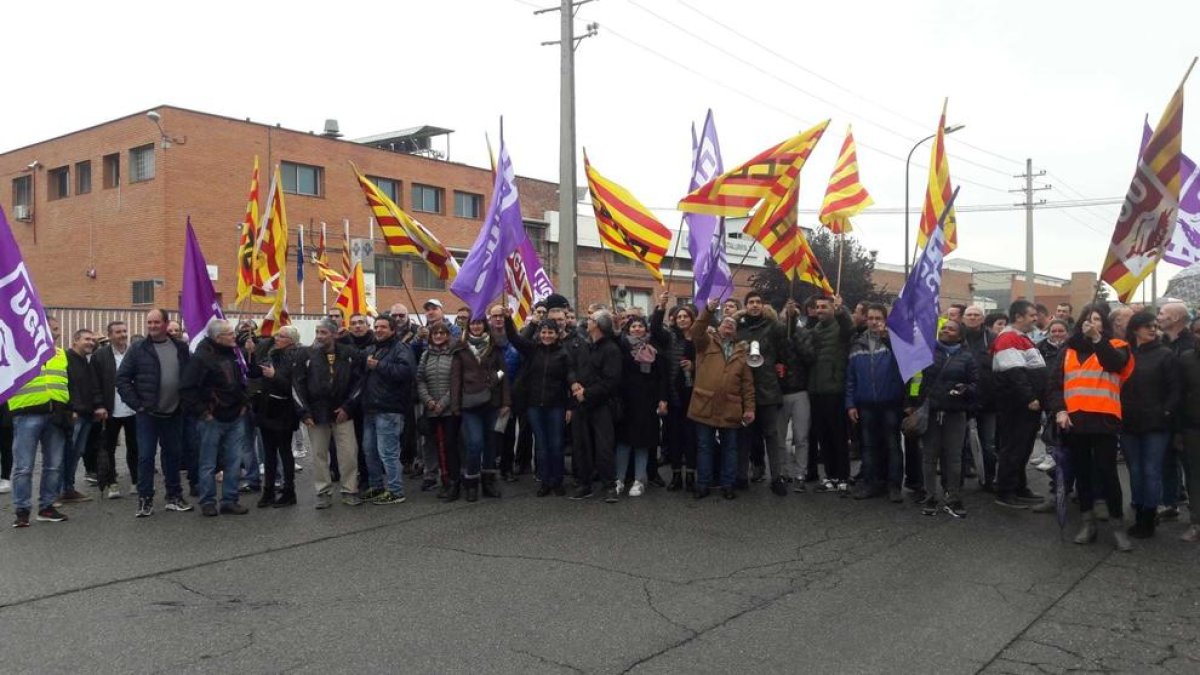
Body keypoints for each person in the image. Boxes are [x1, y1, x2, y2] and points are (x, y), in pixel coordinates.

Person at [1048, 306, 1134, 550]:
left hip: (1104, 420)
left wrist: (1097, 339)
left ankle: (1117, 525)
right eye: (1088, 319)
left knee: (1108, 473)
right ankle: (1088, 522)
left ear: (1104, 324)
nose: (1092, 323)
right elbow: (1055, 385)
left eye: (1097, 319)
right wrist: (1060, 410)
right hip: (1075, 422)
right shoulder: (1068, 350)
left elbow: (1114, 364)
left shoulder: (1117, 345)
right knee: (1082, 473)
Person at [116, 309, 192, 517]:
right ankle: (145, 499)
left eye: (156, 322)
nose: (152, 326)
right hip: (147, 414)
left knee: (173, 456)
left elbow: (189, 377)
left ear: (166, 323)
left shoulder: (181, 348)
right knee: (146, 457)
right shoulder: (138, 348)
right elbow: (122, 379)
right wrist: (137, 405)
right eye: (149, 323)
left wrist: (186, 403)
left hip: (174, 413)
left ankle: (174, 497)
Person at [181, 319, 251, 517]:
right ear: (218, 338)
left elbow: (240, 381)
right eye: (230, 334)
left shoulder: (232, 354)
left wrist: (244, 403)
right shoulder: (201, 358)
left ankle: (229, 500)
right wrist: (203, 412)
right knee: (208, 462)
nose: (234, 336)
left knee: (234, 461)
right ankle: (208, 501)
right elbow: (187, 389)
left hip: (235, 416)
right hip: (212, 419)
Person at [1120, 312, 1180, 539]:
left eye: (1155, 325)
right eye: (1147, 326)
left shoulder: (1165, 354)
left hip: (1156, 424)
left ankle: (1148, 517)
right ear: (1135, 329)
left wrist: (1165, 411)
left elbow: (1176, 389)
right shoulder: (1125, 354)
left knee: (1151, 470)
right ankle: (1139, 508)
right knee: (1135, 470)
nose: (1153, 329)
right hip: (1128, 422)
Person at [293, 319, 364, 509]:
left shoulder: (349, 354)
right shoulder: (305, 355)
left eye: (323, 332)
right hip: (316, 414)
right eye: (317, 332)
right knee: (319, 455)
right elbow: (297, 385)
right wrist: (304, 413)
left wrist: (348, 407)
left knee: (348, 453)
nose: (319, 336)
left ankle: (349, 490)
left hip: (343, 413)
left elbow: (359, 383)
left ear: (334, 334)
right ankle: (323, 492)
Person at [689, 300, 755, 499]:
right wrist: (708, 310)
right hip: (705, 403)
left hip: (731, 407)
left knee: (730, 448)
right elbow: (696, 331)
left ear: (736, 332)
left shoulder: (742, 352)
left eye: (732, 324)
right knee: (704, 447)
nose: (729, 324)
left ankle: (728, 484)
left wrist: (749, 408)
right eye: (725, 322)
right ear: (718, 327)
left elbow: (747, 384)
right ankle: (703, 484)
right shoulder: (705, 342)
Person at [7, 316, 69, 527]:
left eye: (57, 328)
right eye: (52, 328)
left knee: (54, 465)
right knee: (24, 466)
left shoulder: (61, 354)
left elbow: (67, 382)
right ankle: (22, 511)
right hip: (27, 414)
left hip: (56, 415)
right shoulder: (19, 351)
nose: (56, 332)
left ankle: (47, 507)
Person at [504, 311, 573, 497]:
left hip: (556, 405)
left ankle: (557, 480)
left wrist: (570, 407)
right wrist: (508, 319)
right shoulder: (533, 350)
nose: (547, 336)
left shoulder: (564, 354)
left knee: (556, 444)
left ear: (557, 334)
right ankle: (545, 481)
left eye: (550, 332)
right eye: (544, 332)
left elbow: (570, 380)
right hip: (534, 405)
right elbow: (514, 338)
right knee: (541, 445)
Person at [914, 320, 978, 518]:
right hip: (931, 412)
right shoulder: (926, 353)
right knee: (929, 457)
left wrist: (966, 389)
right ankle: (930, 496)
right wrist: (912, 403)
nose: (945, 330)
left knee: (954, 458)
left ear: (960, 336)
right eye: (944, 327)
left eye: (951, 329)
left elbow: (976, 383)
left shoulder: (967, 357)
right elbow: (915, 379)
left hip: (955, 414)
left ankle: (953, 497)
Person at [845, 304, 906, 501]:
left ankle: (894, 486)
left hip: (890, 403)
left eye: (878, 318)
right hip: (866, 404)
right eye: (870, 318)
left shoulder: (895, 341)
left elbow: (905, 364)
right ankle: (871, 484)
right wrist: (850, 404)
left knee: (892, 445)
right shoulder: (857, 343)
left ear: (885, 320)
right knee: (869, 446)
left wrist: (888, 339)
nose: (874, 322)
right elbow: (851, 377)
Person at [991, 300, 1048, 509]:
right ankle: (1006, 491)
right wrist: (1029, 398)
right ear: (1018, 317)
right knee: (1014, 447)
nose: (1035, 318)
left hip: (1026, 404)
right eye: (1031, 315)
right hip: (1017, 405)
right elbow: (1014, 373)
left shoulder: (1021, 338)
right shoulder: (1008, 338)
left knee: (1023, 447)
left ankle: (1019, 486)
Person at [449, 313, 510, 502]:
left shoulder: (494, 346)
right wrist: (455, 406)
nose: (476, 327)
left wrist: (506, 401)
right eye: (473, 323)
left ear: (485, 325)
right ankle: (471, 482)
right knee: (474, 444)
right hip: (470, 404)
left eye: (479, 323)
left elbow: (503, 373)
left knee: (491, 444)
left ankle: (489, 482)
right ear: (468, 326)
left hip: (492, 402)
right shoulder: (460, 349)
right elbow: (455, 379)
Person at [735, 291, 791, 496]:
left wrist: (790, 316)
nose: (755, 305)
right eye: (751, 302)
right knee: (744, 436)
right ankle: (741, 476)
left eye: (758, 302)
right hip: (743, 389)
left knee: (771, 435)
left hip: (768, 387)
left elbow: (786, 347)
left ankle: (776, 478)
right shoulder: (738, 328)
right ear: (745, 306)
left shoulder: (773, 326)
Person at [568, 310, 623, 502]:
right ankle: (585, 484)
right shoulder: (584, 345)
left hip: (602, 405)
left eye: (591, 319)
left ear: (598, 325)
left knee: (603, 446)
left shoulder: (611, 349)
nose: (587, 321)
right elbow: (571, 366)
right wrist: (574, 383)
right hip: (580, 404)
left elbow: (611, 381)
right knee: (581, 445)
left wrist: (587, 393)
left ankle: (609, 486)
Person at [360, 314, 415, 505]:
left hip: (389, 409)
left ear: (392, 330)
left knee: (388, 453)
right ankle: (376, 486)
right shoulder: (371, 349)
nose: (378, 330)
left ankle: (395, 490)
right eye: (376, 327)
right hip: (370, 408)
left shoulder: (401, 348)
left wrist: (379, 365)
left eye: (383, 327)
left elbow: (406, 372)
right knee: (370, 451)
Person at [613, 315, 667, 498]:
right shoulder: (622, 346)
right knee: (623, 442)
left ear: (646, 329)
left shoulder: (653, 348)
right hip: (626, 401)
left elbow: (662, 377)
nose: (637, 329)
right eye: (633, 326)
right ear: (628, 329)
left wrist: (662, 399)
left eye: (640, 326)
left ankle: (639, 480)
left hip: (647, 402)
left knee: (643, 443)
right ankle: (619, 479)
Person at [650, 294, 698, 492]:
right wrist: (661, 307)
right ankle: (676, 475)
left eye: (686, 316)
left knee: (691, 438)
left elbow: (707, 364)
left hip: (693, 396)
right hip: (672, 394)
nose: (682, 319)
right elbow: (654, 329)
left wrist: (694, 366)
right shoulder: (670, 337)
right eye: (679, 317)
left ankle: (691, 475)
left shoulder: (700, 338)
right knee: (675, 438)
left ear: (692, 319)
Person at [809, 295, 854, 494]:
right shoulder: (815, 330)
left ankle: (843, 476)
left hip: (835, 390)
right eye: (818, 307)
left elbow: (849, 328)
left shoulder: (840, 328)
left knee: (838, 436)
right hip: (816, 390)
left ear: (832, 309)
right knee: (823, 436)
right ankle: (830, 475)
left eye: (824, 307)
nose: (820, 310)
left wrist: (841, 310)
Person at [253, 326, 301, 508]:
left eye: (281, 336)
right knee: (268, 453)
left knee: (285, 451)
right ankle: (269, 490)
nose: (276, 338)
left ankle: (289, 491)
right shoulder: (272, 353)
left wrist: (274, 376)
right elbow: (256, 369)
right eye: (277, 335)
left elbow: (293, 387)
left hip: (284, 411)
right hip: (267, 408)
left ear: (291, 341)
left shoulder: (296, 357)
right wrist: (251, 352)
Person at [1157, 301, 1194, 522]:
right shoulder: (1161, 343)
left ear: (1176, 318)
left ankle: (1194, 507)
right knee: (1166, 460)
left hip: (1187, 415)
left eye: (1162, 313)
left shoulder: (1190, 345)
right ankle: (1170, 502)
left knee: (1190, 464)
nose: (1158, 317)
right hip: (1166, 413)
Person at [92, 320, 137, 499]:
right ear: (109, 335)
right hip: (110, 409)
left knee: (135, 447)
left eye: (124, 331)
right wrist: (99, 405)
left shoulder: (135, 352)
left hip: (133, 409)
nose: (123, 335)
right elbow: (95, 383)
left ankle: (136, 481)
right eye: (118, 332)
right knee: (108, 448)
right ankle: (112, 483)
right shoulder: (100, 356)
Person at [63, 328, 104, 503]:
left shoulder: (86, 361)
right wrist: (69, 409)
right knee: (66, 454)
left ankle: (68, 489)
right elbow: (65, 386)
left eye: (93, 340)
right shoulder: (65, 359)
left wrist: (96, 407)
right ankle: (57, 491)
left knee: (76, 453)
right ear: (75, 340)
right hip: (74, 415)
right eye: (87, 339)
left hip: (87, 414)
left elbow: (92, 387)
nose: (91, 343)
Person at [418, 323, 458, 500]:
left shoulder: (454, 354)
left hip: (449, 410)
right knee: (436, 447)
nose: (439, 335)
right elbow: (420, 380)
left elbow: (456, 381)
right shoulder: (426, 355)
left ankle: (454, 482)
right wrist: (428, 401)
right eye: (435, 333)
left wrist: (443, 403)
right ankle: (444, 482)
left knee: (450, 446)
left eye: (442, 332)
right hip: (432, 409)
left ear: (448, 335)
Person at [777, 299, 814, 491]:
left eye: (793, 313)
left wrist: (795, 333)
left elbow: (809, 356)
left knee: (801, 437)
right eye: (787, 312)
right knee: (779, 437)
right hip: (780, 392)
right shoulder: (777, 334)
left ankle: (800, 473)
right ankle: (781, 472)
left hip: (800, 390)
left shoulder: (804, 333)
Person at [961, 305, 998, 490]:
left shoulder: (993, 339)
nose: (973, 317)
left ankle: (989, 479)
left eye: (976, 315)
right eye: (969, 315)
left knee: (988, 444)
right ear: (963, 318)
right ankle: (956, 481)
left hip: (988, 400)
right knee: (959, 444)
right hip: (962, 400)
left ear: (983, 319)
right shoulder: (956, 336)